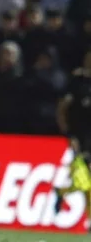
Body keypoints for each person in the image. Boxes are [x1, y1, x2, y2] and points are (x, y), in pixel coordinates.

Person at [53, 49, 91, 231]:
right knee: (85, 178)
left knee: (86, 181)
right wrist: (68, 134)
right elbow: (63, 107)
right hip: (81, 136)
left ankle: (62, 192)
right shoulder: (77, 83)